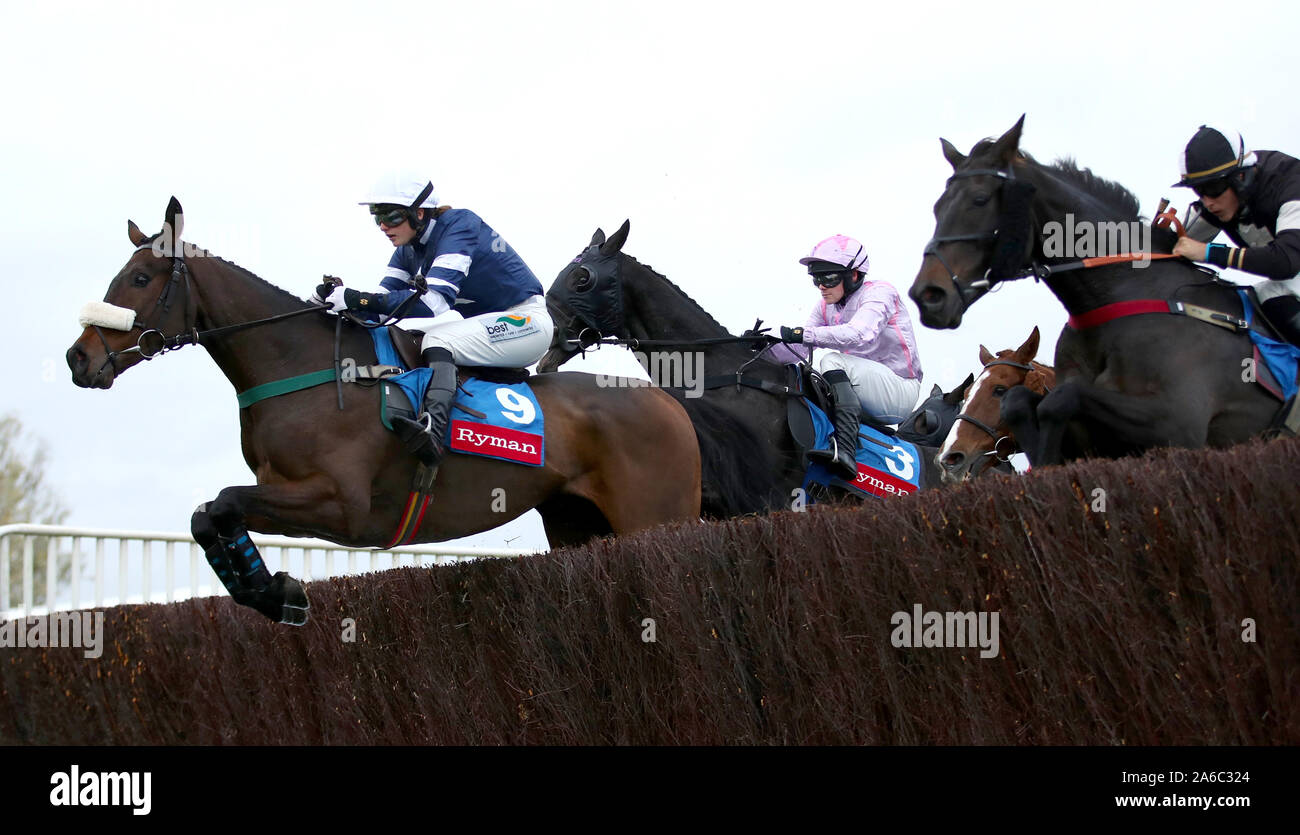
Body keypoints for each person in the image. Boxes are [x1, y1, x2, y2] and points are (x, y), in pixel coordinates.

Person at [312, 172, 553, 466]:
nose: (383, 226)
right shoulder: (406, 250)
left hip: (526, 323)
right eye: (377, 217)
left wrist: (356, 298)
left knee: (436, 338)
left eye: (391, 216)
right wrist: (333, 302)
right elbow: (381, 309)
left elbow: (433, 304)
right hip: (491, 327)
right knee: (399, 335)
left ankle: (433, 432)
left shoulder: (460, 225)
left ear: (420, 212)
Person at [774, 234, 924, 480]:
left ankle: (845, 451)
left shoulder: (880, 293)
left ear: (854, 275)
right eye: (816, 279)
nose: (822, 286)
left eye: (829, 278)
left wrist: (802, 334)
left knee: (830, 362)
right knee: (806, 375)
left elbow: (859, 334)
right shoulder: (825, 306)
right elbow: (799, 348)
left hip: (899, 391)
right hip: (863, 389)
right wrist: (760, 347)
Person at [1166, 126, 1300, 345]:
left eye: (1213, 187)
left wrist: (1209, 252)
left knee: (1272, 292)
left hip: (1292, 267)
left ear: (1241, 177)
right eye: (1199, 191)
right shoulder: (1220, 202)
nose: (1208, 202)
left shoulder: (1291, 183)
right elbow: (1167, 241)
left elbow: (1286, 261)